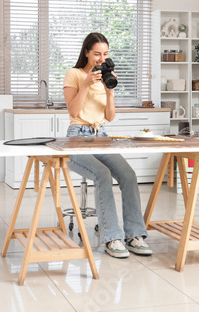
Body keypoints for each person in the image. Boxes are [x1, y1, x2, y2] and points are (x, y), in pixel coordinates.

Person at [63, 32, 152, 258]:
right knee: (102, 174)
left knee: (128, 174)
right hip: (77, 137)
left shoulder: (105, 77)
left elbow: (110, 117)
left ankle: (134, 235)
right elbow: (73, 111)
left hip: (101, 135)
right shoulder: (74, 74)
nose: (101, 58)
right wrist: (85, 85)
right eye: (96, 54)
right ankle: (112, 238)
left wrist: (110, 91)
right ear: (86, 53)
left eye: (105, 54)